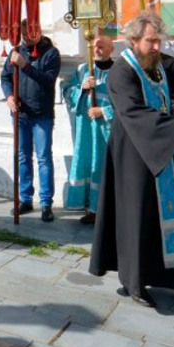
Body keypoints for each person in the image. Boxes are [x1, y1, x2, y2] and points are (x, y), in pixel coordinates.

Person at [89, 11, 174, 309]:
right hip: (134, 155)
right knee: (140, 217)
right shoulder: (122, 70)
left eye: (158, 40)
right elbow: (133, 112)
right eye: (150, 41)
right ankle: (135, 283)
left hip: (164, 150)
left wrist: (172, 109)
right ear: (133, 40)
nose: (156, 47)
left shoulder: (156, 67)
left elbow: (157, 102)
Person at [0, 21, 62, 221]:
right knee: (22, 156)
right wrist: (9, 96)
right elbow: (5, 77)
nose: (26, 36)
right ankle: (25, 198)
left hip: (41, 113)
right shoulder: (16, 51)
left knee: (44, 157)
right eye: (23, 32)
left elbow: (47, 79)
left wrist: (24, 65)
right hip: (20, 113)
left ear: (39, 31)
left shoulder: (51, 53)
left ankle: (46, 203)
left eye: (30, 32)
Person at [62, 34, 116, 224]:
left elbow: (128, 103)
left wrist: (105, 111)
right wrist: (83, 88)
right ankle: (91, 209)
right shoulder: (83, 70)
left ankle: (105, 209)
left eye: (102, 47)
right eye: (94, 47)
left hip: (108, 131)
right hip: (86, 130)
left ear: (111, 50)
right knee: (88, 164)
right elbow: (67, 91)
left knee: (105, 167)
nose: (97, 50)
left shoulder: (119, 72)